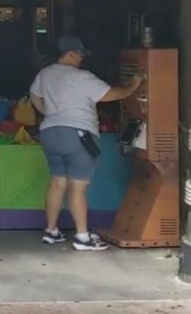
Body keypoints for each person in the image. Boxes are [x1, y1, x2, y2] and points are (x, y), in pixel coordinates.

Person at [29, 36, 144, 251]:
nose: (82, 59)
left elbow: (34, 96)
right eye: (80, 54)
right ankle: (82, 237)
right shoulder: (82, 77)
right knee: (78, 187)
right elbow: (111, 95)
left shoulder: (45, 74)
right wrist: (134, 85)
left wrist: (49, 113)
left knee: (57, 183)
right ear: (71, 54)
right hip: (78, 134)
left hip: (50, 133)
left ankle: (51, 231)